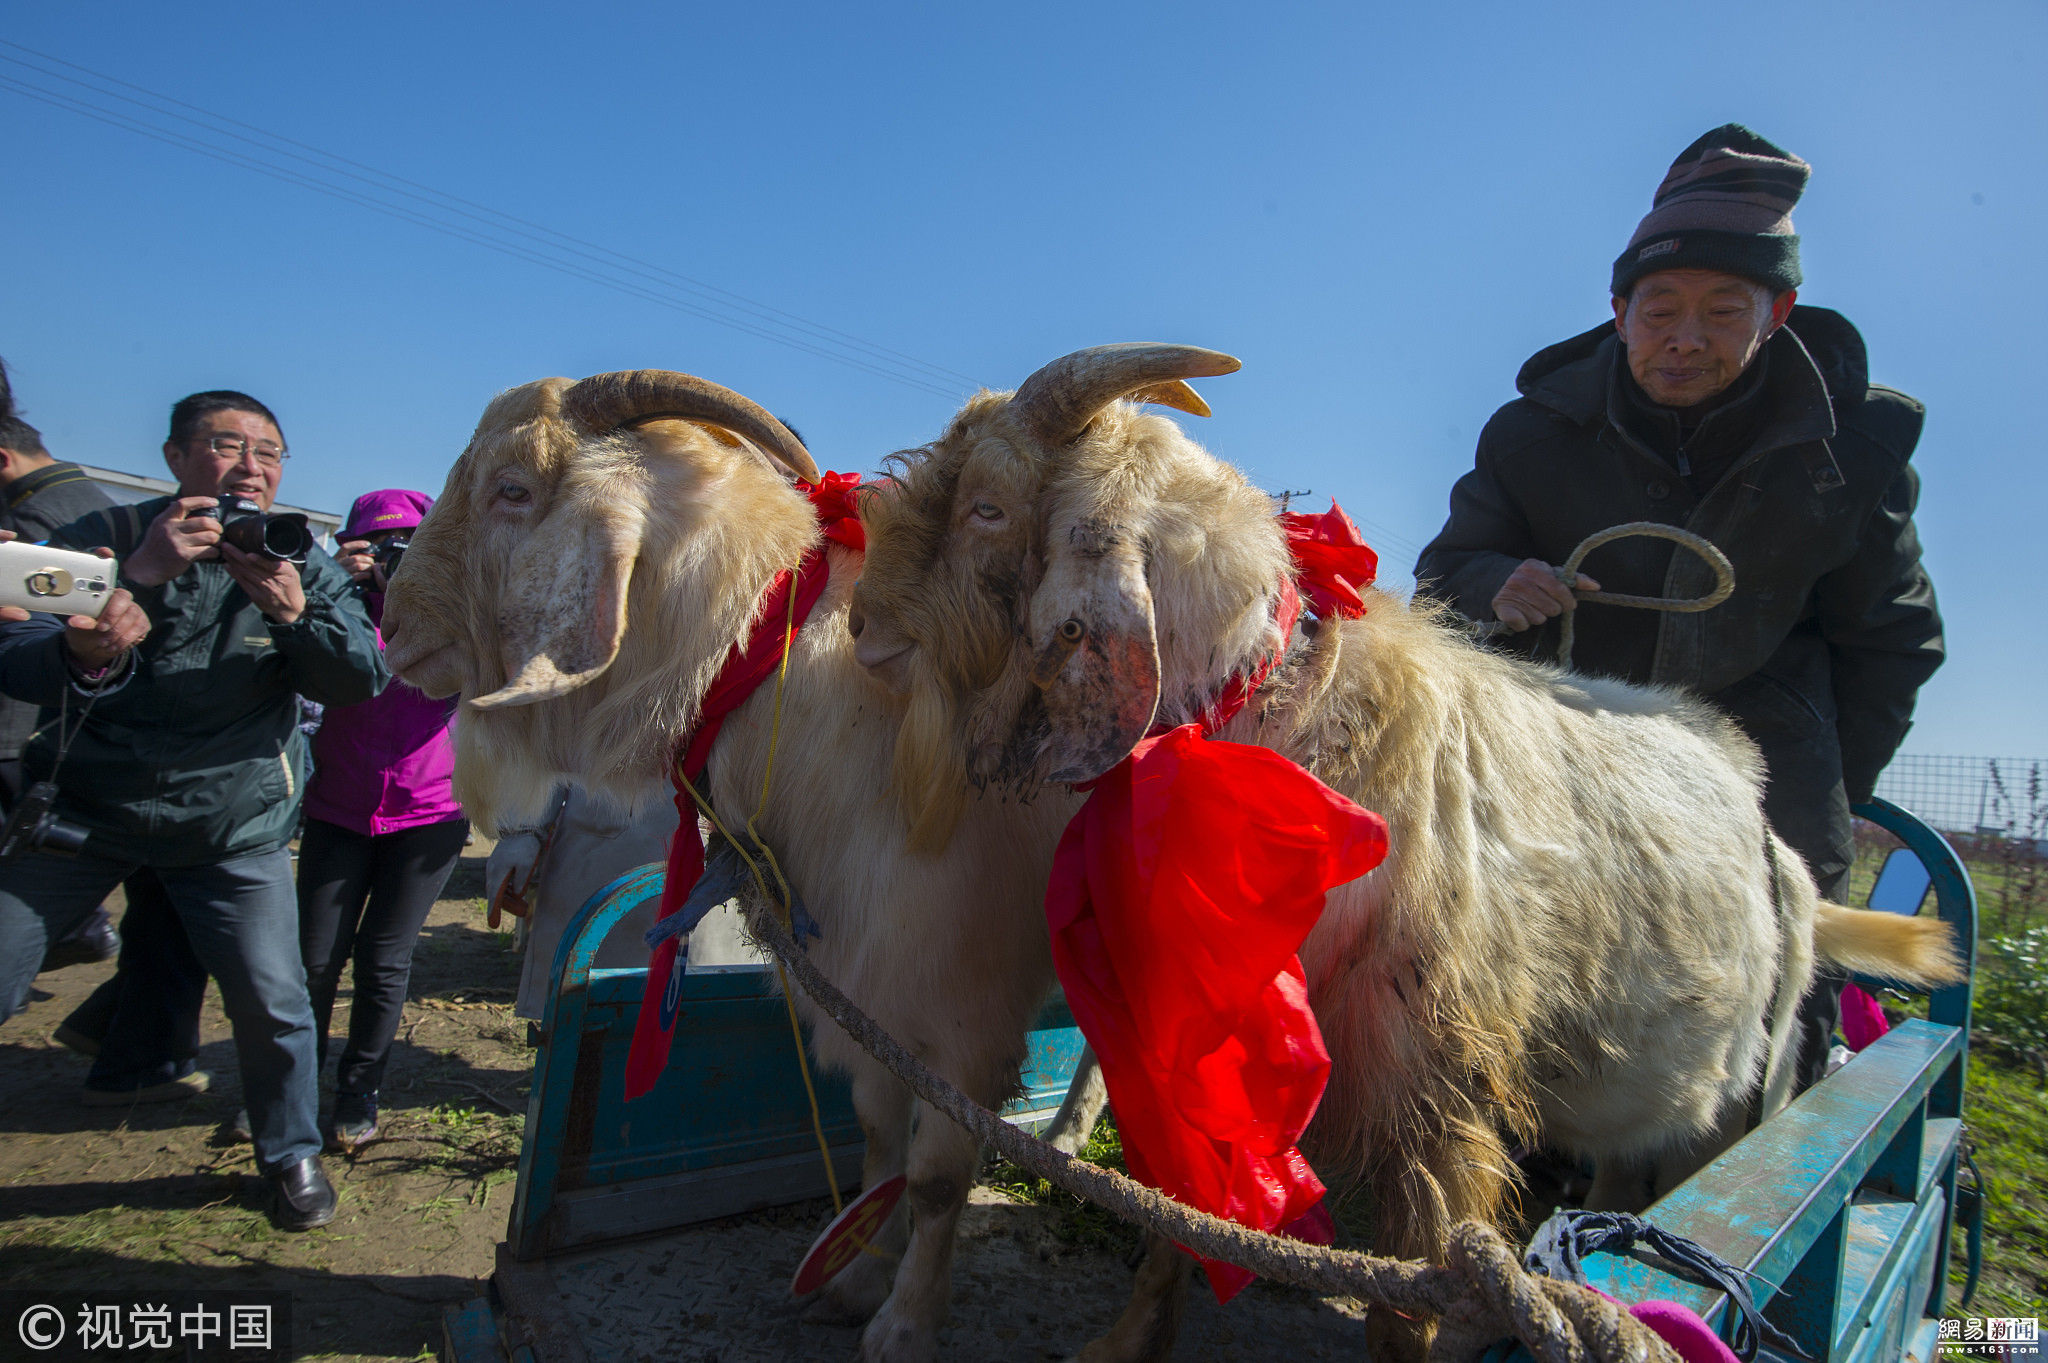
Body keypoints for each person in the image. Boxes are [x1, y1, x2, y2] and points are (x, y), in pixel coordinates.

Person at [1414, 125, 1944, 1092]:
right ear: (1618, 311)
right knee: (1551, 972)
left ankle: (1748, 1195)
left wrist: (1830, 789)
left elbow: (1893, 640)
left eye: (1722, 310)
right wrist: (1495, 581)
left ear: (1778, 311)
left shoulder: (1850, 449)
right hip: (1578, 753)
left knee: (1778, 986)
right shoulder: (1535, 433)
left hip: (1769, 755)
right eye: (1659, 309)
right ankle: (1529, 1189)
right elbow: (1443, 577)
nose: (1685, 338)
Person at [0, 389, 387, 1230]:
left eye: (270, 453)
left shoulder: (299, 556)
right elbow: (12, 653)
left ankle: (290, 1153)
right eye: (227, 445)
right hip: (84, 811)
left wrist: (293, 614)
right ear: (177, 457)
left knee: (274, 999)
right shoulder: (98, 536)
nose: (252, 467)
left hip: (229, 825)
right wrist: (133, 579)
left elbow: (360, 677)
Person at [296, 489, 467, 1150]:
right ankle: (289, 1091)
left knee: (383, 959)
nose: (397, 560)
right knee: (313, 961)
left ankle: (358, 1089)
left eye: (410, 545)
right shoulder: (335, 610)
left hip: (429, 815)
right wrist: (332, 585)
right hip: (338, 808)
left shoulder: (463, 618)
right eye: (381, 546)